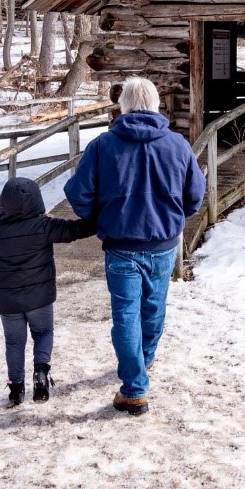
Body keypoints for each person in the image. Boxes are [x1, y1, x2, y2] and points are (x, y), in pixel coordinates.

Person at [65, 77, 205, 416]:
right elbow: (195, 195)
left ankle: (135, 387)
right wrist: (172, 216)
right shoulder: (177, 145)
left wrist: (99, 216)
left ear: (123, 106)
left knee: (126, 314)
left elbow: (77, 194)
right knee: (153, 307)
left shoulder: (103, 145)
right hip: (163, 243)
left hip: (121, 244)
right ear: (156, 104)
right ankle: (144, 361)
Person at [0, 177, 96, 407]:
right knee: (43, 333)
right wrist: (101, 218)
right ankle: (41, 372)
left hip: (7, 301)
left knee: (14, 342)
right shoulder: (44, 227)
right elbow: (75, 230)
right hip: (39, 297)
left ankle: (16, 388)